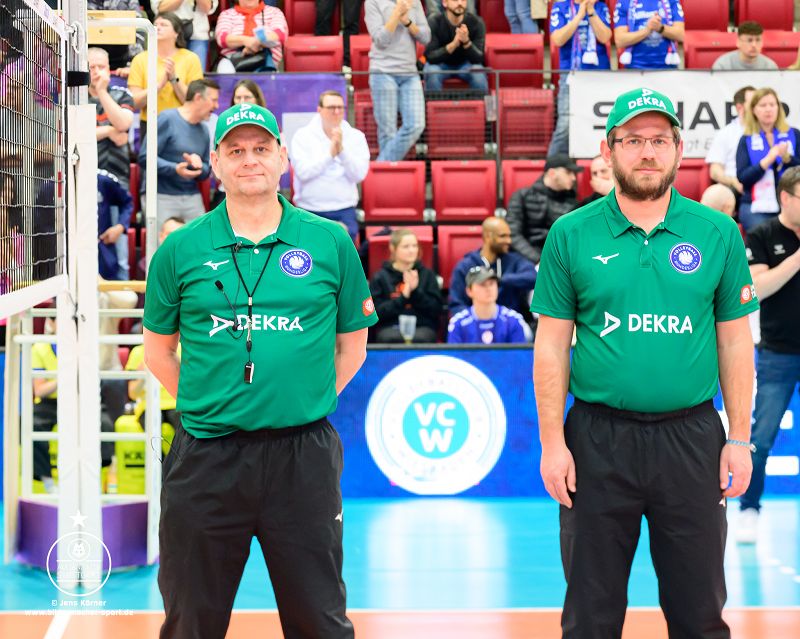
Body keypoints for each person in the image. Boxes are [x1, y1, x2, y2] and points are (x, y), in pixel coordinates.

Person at [532, 86, 758, 639]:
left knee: (699, 614)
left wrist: (739, 437)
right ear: (608, 150)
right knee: (590, 616)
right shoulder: (570, 234)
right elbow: (551, 346)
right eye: (633, 140)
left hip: (692, 440)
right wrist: (553, 444)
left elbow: (735, 343)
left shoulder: (717, 232)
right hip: (596, 440)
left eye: (659, 139)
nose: (647, 152)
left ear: (679, 149)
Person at [143, 102, 376, 638]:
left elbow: (353, 348)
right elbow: (158, 353)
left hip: (303, 458)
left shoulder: (329, 241)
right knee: (191, 621)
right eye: (235, 151)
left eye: (261, 148)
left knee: (319, 620)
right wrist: (212, 405)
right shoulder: (179, 249)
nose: (250, 159)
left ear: (282, 157)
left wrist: (301, 399)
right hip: (206, 457)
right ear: (215, 163)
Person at [738, 167, 800, 544]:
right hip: (778, 352)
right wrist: (797, 259)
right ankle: (749, 508)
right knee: (760, 438)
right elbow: (756, 289)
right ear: (786, 197)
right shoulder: (763, 235)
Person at [289, 90, 370, 241]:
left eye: (340, 107)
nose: (337, 112)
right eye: (331, 107)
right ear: (319, 110)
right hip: (309, 209)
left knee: (342, 253)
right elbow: (302, 173)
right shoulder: (302, 136)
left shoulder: (356, 136)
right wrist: (330, 155)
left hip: (344, 210)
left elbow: (359, 175)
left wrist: (342, 152)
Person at [138, 78, 218, 227]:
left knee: (200, 240)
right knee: (164, 241)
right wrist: (175, 169)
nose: (217, 106)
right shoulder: (166, 119)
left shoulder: (204, 130)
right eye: (213, 100)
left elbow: (206, 170)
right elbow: (145, 157)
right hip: (161, 195)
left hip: (191, 197)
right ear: (198, 98)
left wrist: (199, 166)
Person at [365, 0, 430, 162]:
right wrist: (396, 14)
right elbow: (380, 40)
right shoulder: (372, 2)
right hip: (382, 71)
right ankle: (386, 174)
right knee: (387, 132)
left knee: (416, 125)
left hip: (410, 72)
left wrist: (407, 21)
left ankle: (378, 167)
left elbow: (426, 37)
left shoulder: (414, 2)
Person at [548, 0, 612, 156]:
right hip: (571, 74)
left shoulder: (600, 7)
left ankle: (601, 161)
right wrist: (578, 16)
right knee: (566, 123)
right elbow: (558, 39)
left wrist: (591, 12)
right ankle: (552, 163)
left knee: (601, 122)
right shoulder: (560, 7)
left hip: (599, 74)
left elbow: (605, 37)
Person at [127, 12, 204, 138]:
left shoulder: (191, 58)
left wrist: (174, 79)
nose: (158, 28)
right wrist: (158, 86)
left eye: (163, 24)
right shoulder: (140, 59)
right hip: (150, 122)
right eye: (155, 24)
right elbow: (134, 102)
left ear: (177, 33)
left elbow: (195, 101)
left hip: (183, 123)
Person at [736, 87, 800, 231]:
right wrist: (767, 160)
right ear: (754, 110)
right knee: (766, 235)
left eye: (772, 104)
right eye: (763, 105)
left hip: (791, 201)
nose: (768, 109)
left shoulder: (794, 134)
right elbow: (743, 177)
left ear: (778, 108)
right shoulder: (746, 139)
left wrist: (788, 158)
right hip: (755, 205)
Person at [449, 217, 536, 316]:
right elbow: (457, 305)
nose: (509, 241)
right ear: (488, 237)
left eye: (509, 236)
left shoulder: (514, 260)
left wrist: (501, 280)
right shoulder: (466, 266)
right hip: (477, 321)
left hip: (510, 322)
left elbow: (534, 278)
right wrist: (475, 321)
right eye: (503, 236)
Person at [505, 153, 581, 265]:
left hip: (558, 262)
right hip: (525, 260)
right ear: (552, 173)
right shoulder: (522, 196)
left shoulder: (573, 203)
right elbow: (512, 233)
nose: (573, 178)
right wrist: (538, 260)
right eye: (568, 172)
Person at [369, 228, 441, 342]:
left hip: (422, 327)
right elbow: (376, 313)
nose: (411, 250)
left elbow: (435, 310)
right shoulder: (381, 277)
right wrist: (403, 297)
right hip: (390, 328)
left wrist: (415, 291)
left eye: (414, 246)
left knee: (423, 337)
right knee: (388, 337)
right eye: (406, 247)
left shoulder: (427, 275)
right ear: (393, 248)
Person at [88, 47, 134, 189]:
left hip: (118, 175)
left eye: (101, 67)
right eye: (91, 67)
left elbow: (123, 124)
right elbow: (75, 135)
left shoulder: (122, 94)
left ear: (108, 69)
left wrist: (101, 91)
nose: (96, 71)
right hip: (84, 173)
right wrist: (108, 131)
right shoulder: (74, 97)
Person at [448, 266, 529, 344]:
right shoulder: (458, 323)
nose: (488, 288)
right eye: (482, 284)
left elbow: (519, 353)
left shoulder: (513, 320)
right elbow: (454, 353)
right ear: (469, 291)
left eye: (491, 283)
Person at [423, 0, 488, 94]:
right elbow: (430, 56)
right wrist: (453, 44)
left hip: (466, 64)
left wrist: (466, 42)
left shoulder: (476, 22)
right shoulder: (434, 21)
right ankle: (434, 103)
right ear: (445, 3)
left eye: (463, 0)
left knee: (478, 73)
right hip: (440, 64)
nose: (460, 3)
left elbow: (479, 58)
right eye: (455, 0)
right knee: (432, 71)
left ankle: (479, 103)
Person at [706, 85, 755, 197]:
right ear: (740, 108)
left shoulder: (768, 131)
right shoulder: (726, 133)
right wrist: (732, 181)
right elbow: (715, 171)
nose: (757, 107)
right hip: (735, 188)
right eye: (753, 103)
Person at [214, 0, 288, 73]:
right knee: (225, 68)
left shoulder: (274, 12)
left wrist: (257, 42)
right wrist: (246, 41)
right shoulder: (226, 14)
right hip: (233, 62)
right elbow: (222, 38)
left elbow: (280, 35)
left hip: (266, 64)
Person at [613, 0, 684, 69]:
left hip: (667, 66)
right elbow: (620, 41)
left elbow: (680, 36)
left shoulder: (672, 1)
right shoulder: (624, 2)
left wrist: (660, 28)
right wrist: (647, 30)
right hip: (635, 67)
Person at [151, 0, 219, 70]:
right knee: (166, 70)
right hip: (169, 35)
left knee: (196, 72)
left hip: (198, 34)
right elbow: (160, 9)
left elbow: (207, 8)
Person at [98, 170, 134, 281]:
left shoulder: (104, 180)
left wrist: (120, 226)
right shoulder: (61, 178)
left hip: (103, 246)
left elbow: (127, 202)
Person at [712, 21, 778, 72]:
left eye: (758, 40)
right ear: (738, 42)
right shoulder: (722, 65)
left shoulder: (770, 67)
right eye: (749, 40)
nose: (754, 45)